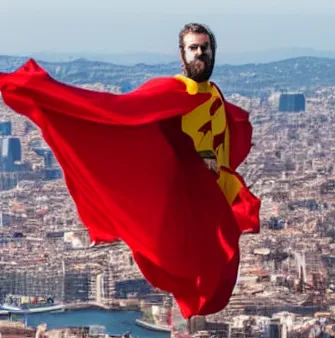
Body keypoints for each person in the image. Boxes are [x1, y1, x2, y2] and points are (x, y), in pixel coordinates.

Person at [0, 23, 260, 319]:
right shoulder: (172, 90)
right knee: (199, 264)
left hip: (211, 194)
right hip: (183, 192)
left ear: (213, 51)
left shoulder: (214, 94)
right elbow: (122, 112)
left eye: (205, 47)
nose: (200, 53)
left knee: (219, 264)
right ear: (182, 54)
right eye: (193, 48)